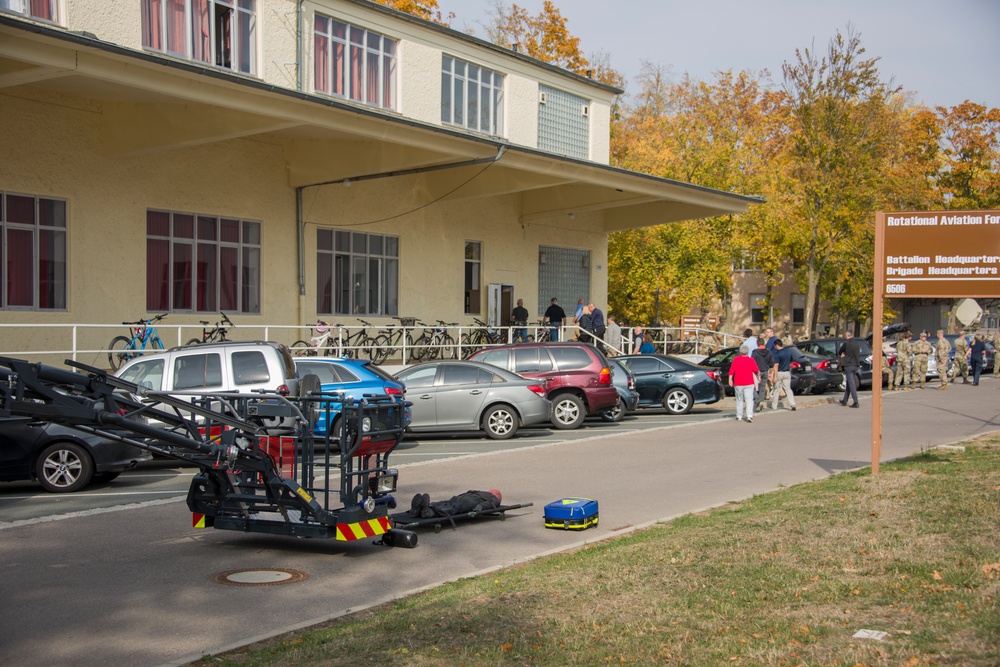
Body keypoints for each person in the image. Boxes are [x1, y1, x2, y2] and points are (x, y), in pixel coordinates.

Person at [408, 489, 502, 519]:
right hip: (470, 501)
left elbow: (488, 505)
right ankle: (428, 511)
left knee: (446, 503)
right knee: (453, 508)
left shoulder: (480, 492)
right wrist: (478, 508)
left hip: (461, 497)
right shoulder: (491, 497)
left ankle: (421, 508)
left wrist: (478, 508)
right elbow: (488, 505)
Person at [728, 345, 760, 423]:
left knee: (739, 399)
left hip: (738, 382)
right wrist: (758, 376)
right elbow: (756, 370)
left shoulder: (736, 360)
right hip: (749, 382)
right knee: (749, 399)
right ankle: (749, 415)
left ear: (740, 352)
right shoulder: (751, 360)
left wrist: (730, 379)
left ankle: (739, 415)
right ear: (747, 352)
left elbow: (732, 370)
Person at [839, 330, 864, 408]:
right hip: (856, 365)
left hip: (848, 365)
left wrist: (843, 354)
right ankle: (844, 400)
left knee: (851, 383)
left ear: (847, 335)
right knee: (849, 382)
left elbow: (840, 351)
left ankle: (856, 402)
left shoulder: (846, 343)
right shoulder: (857, 343)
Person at [770, 338, 797, 411]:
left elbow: (776, 366)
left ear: (776, 345)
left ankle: (774, 405)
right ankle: (792, 404)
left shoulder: (777, 354)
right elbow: (791, 362)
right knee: (788, 389)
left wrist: (774, 377)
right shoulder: (788, 352)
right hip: (787, 372)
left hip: (779, 372)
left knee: (776, 389)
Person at [751, 339, 775, 412]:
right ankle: (760, 401)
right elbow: (772, 363)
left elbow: (752, 362)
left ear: (757, 344)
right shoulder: (769, 352)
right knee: (762, 388)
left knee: (753, 387)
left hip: (756, 372)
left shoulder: (755, 352)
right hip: (765, 371)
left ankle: (758, 401)